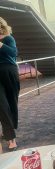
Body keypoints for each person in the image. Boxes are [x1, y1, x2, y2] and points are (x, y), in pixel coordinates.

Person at [0, 17, 19, 151]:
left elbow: (14, 53)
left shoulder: (8, 38)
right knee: (2, 105)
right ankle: (10, 137)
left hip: (9, 72)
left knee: (11, 103)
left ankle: (8, 129)